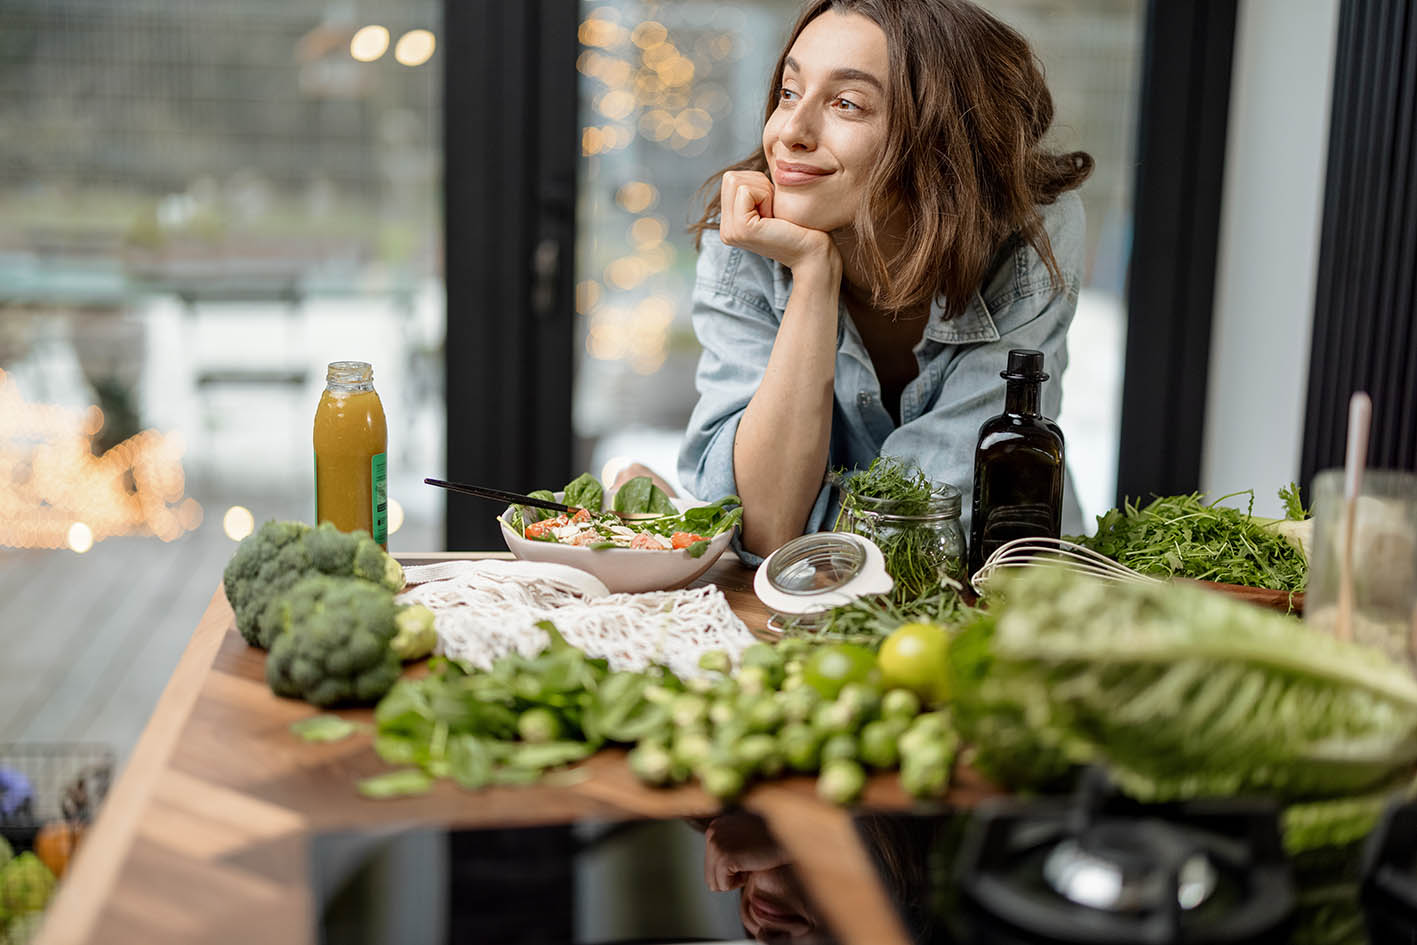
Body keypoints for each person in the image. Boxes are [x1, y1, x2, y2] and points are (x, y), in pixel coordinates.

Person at [676, 0, 1094, 562]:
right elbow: (767, 527)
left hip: (995, 595)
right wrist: (813, 274)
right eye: (789, 92)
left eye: (846, 103)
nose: (791, 133)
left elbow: (938, 523)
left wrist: (806, 523)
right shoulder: (746, 239)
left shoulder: (1028, 237)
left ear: (940, 139)